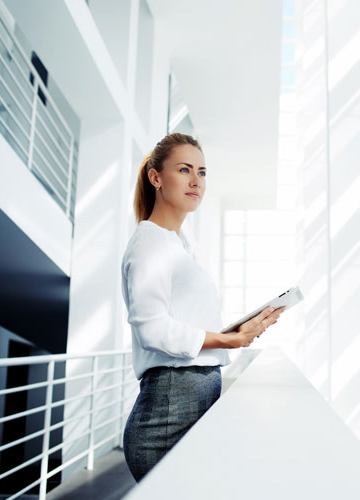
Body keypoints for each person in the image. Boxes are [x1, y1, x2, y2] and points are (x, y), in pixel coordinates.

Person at [120, 132, 284, 482]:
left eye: (203, 172)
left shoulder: (175, 246)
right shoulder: (149, 242)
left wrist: (239, 331)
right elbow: (151, 329)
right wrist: (228, 341)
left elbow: (184, 321)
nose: (196, 181)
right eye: (184, 170)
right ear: (156, 177)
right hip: (167, 416)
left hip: (186, 402)